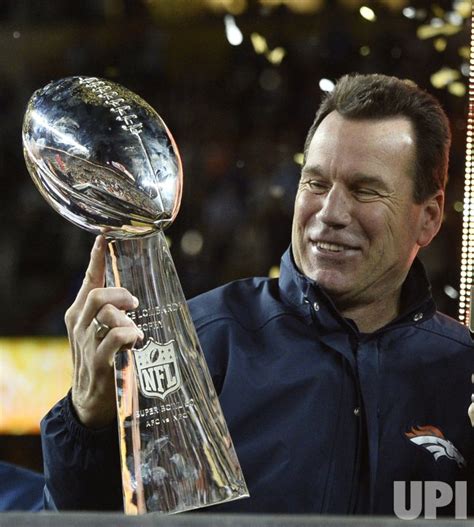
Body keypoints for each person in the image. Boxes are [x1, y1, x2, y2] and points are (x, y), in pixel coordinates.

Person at [41, 73, 474, 515]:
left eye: (365, 190)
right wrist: (86, 424)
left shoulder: (463, 374)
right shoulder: (195, 345)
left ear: (430, 218)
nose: (330, 213)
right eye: (316, 183)